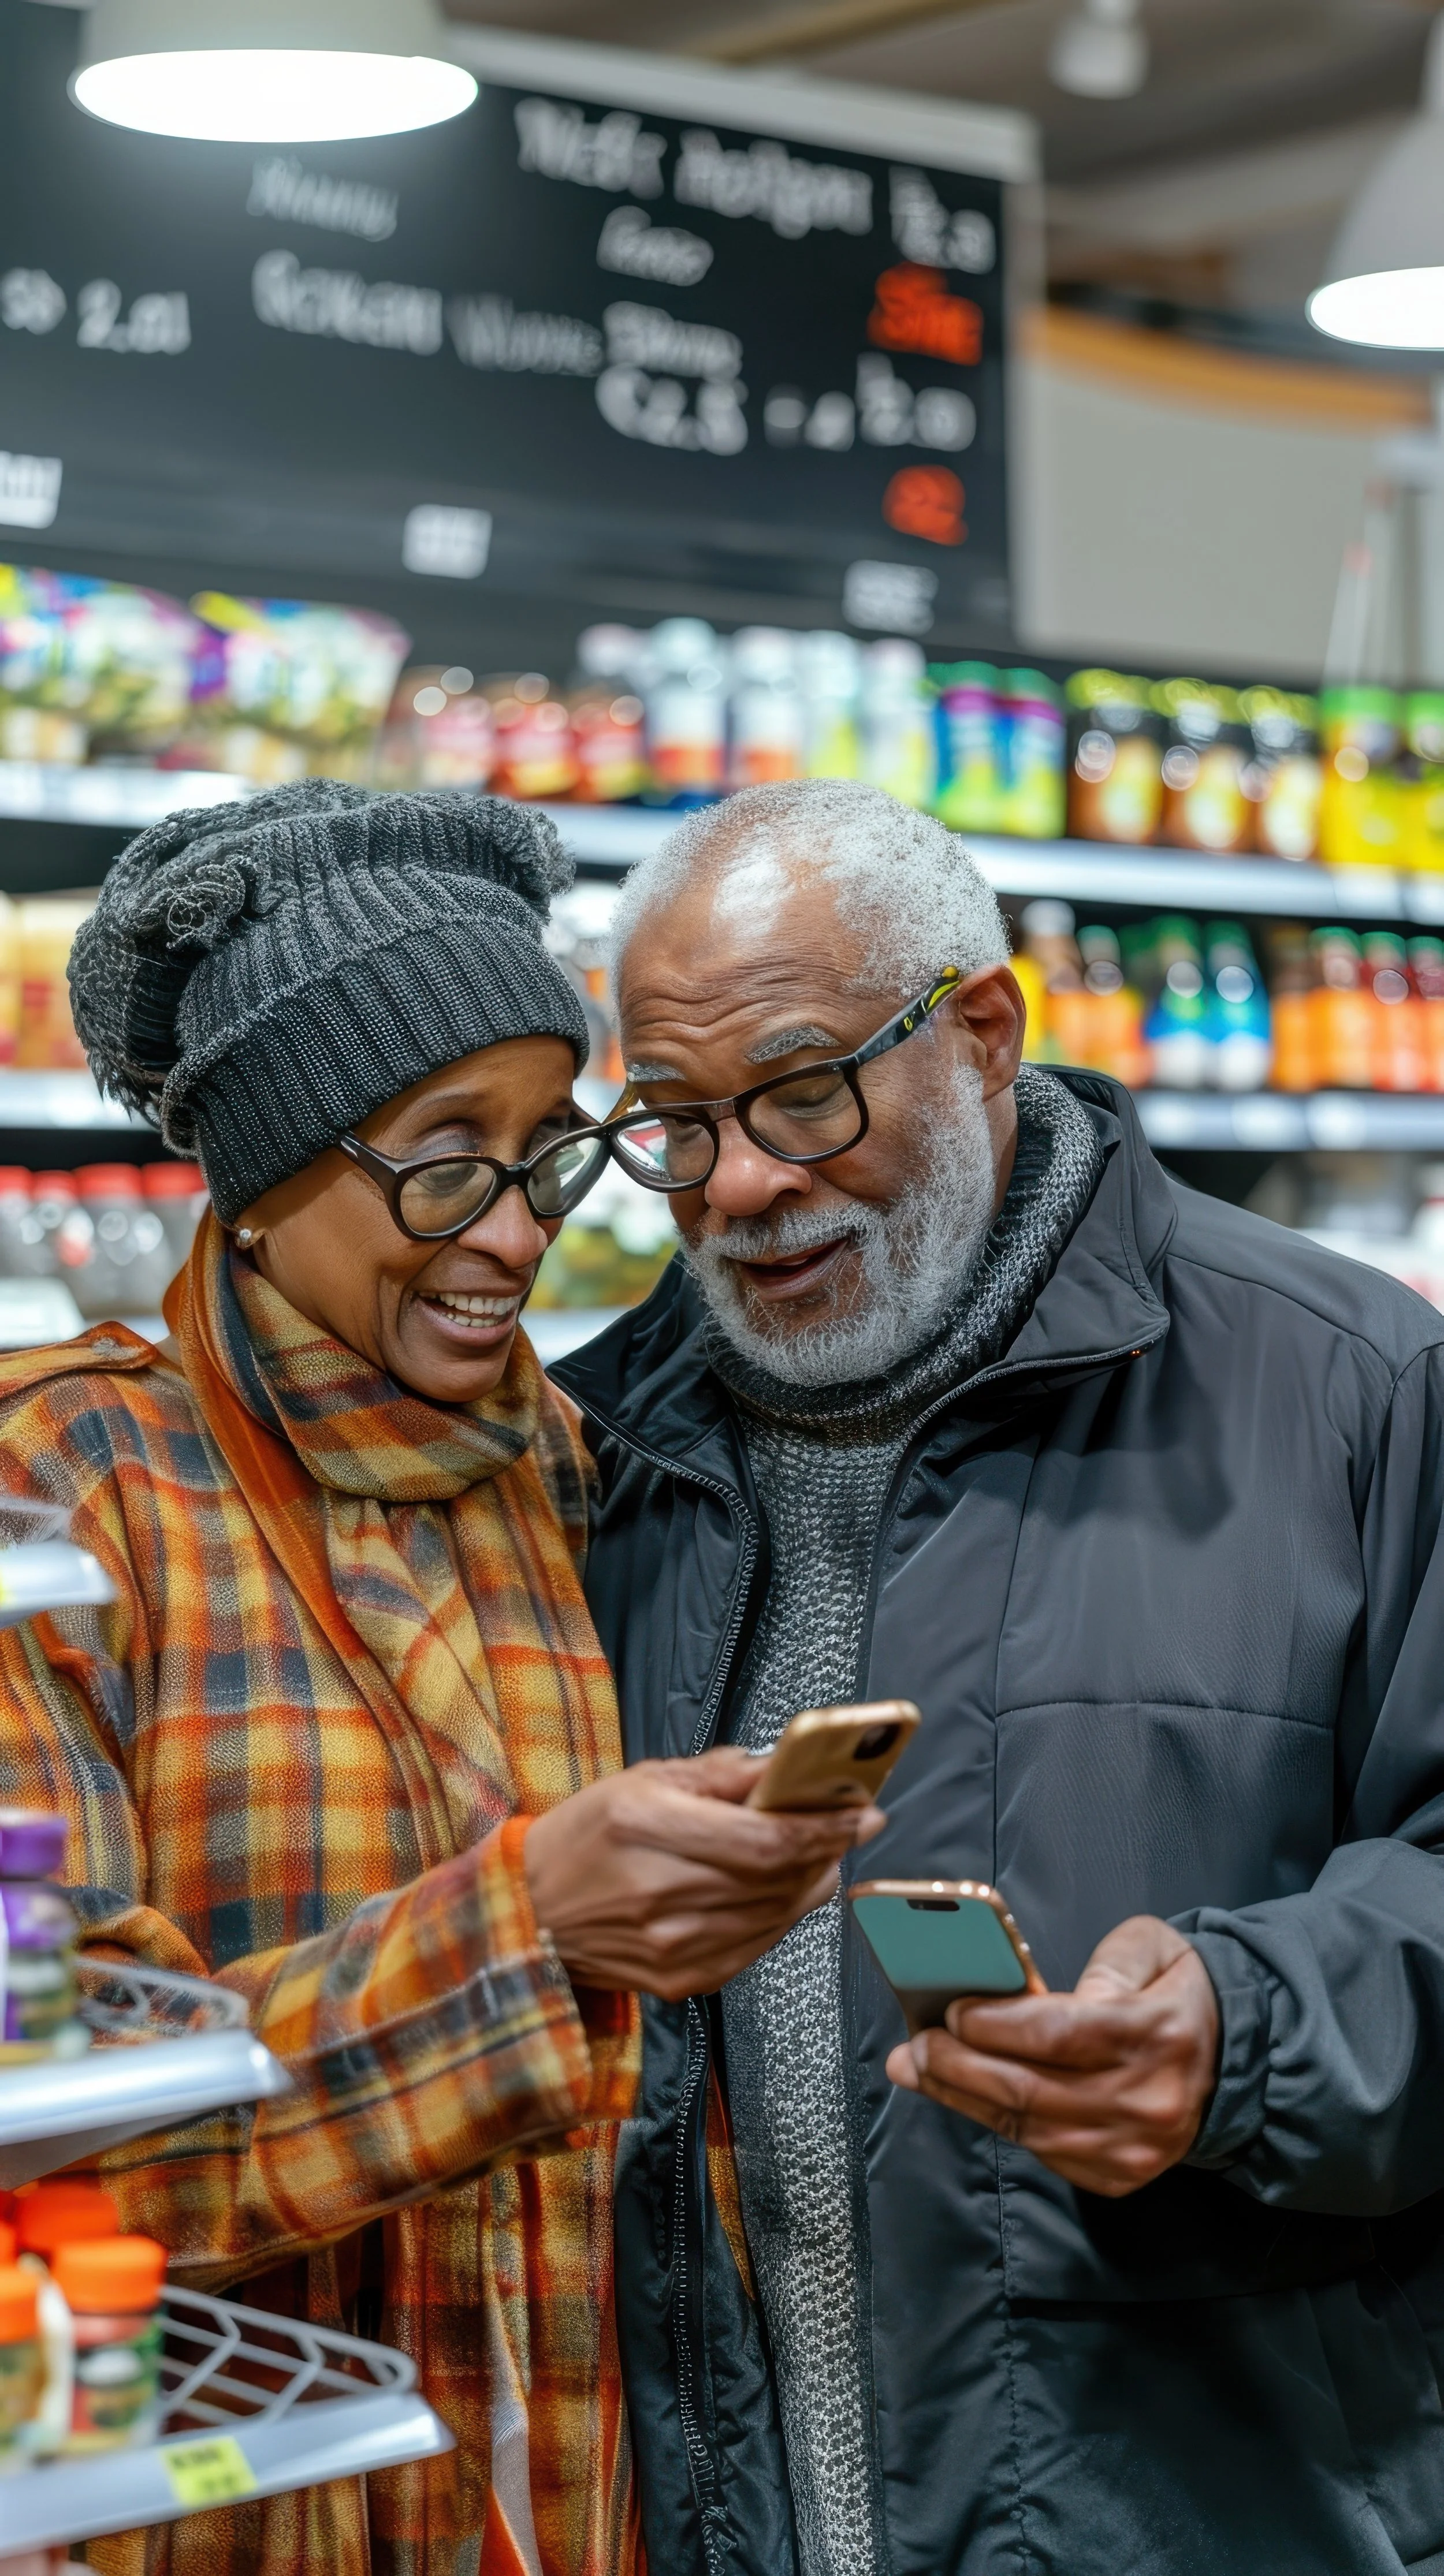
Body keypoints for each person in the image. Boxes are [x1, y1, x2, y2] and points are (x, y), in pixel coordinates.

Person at [557, 777, 1444, 2576]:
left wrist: (1250, 2033)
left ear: (977, 1034)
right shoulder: (584, 1459)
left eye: (804, 1087)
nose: (738, 1182)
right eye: (668, 1121)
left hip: (1205, 2510)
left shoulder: (1352, 1388)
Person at [0, 780, 878, 2576]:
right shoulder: (66, 1491)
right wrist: (523, 1932)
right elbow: (52, 2136)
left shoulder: (578, 1473)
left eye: (550, 1144)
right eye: (442, 1151)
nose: (512, 1227)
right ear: (267, 1168)